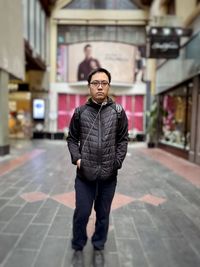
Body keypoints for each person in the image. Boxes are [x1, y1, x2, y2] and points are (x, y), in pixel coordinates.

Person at [67, 68, 128, 267]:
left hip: (108, 177)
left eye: (104, 82)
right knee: (82, 213)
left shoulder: (118, 112)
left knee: (103, 215)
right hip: (85, 175)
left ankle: (99, 245)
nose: (100, 86)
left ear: (109, 86)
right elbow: (72, 138)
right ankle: (77, 246)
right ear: (89, 86)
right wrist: (77, 159)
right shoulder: (80, 112)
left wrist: (116, 162)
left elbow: (123, 140)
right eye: (95, 83)